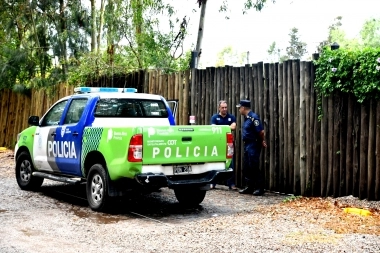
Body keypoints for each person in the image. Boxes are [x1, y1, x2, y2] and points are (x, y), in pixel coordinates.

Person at [236, 100, 267, 196]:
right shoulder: (246, 118)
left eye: (240, 108)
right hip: (247, 144)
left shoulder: (254, 118)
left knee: (253, 165)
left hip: (253, 144)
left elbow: (261, 131)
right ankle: (249, 186)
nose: (239, 110)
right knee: (247, 166)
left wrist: (262, 141)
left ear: (243, 108)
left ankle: (260, 188)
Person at [210, 100, 237, 190]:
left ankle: (231, 184)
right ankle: (213, 183)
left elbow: (233, 127)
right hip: (217, 143)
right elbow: (213, 128)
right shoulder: (214, 117)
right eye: (223, 107)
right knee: (214, 162)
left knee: (230, 163)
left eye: (226, 107)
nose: (225, 109)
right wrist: (226, 127)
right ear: (219, 108)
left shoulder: (231, 117)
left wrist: (220, 127)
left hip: (229, 144)